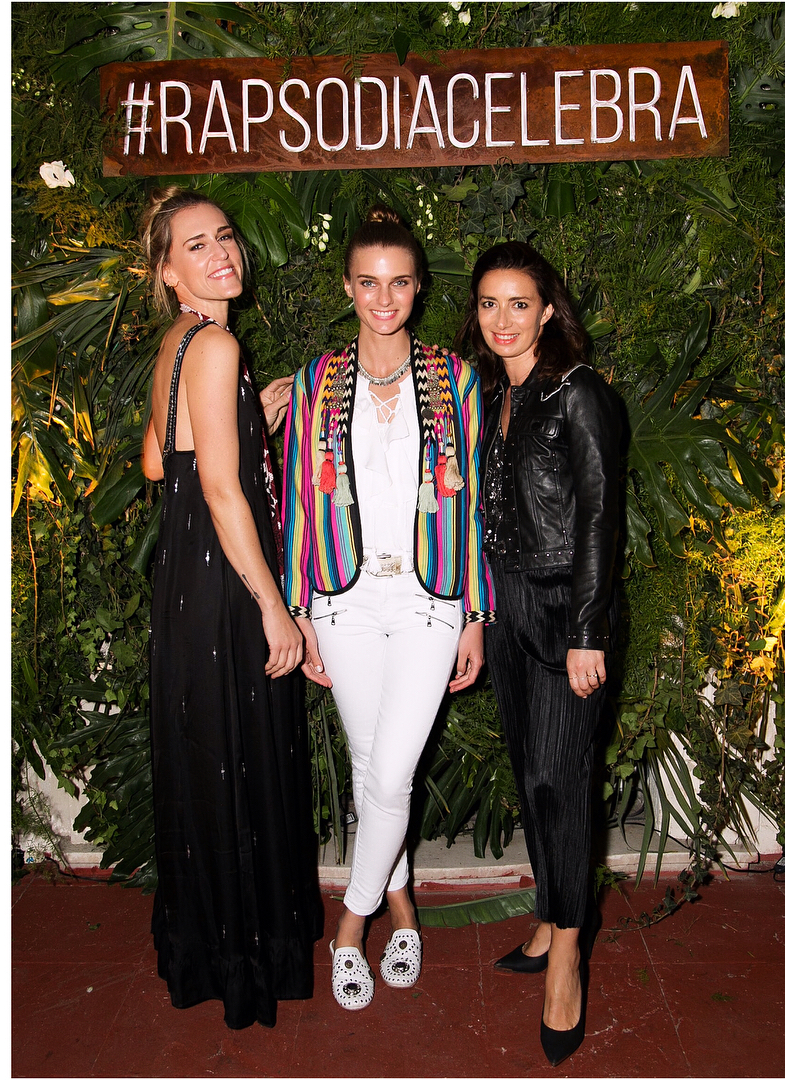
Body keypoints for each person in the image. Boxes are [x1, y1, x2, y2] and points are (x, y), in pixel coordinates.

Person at [281, 205, 495, 1011]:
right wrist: (301, 610)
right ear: (348, 286)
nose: (383, 298)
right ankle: (404, 914)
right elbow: (299, 499)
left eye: (399, 283)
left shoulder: (453, 378)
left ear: (418, 288)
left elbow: (473, 501)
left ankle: (349, 927)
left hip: (429, 598)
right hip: (341, 598)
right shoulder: (317, 379)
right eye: (368, 283)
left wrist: (477, 612)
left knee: (393, 769)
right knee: (375, 770)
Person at [139, 186, 323, 1029]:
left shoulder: (177, 344)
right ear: (169, 273)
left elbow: (158, 462)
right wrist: (273, 607)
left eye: (223, 237)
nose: (220, 254)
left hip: (183, 578)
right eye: (196, 246)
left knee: (207, 757)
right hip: (224, 584)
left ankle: (209, 951)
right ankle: (250, 960)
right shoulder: (215, 345)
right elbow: (220, 487)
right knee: (240, 758)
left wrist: (252, 416)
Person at [457, 241, 620, 1066]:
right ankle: (550, 919)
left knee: (564, 784)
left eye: (519, 303)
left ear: (548, 309)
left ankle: (567, 959)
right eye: (489, 303)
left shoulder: (577, 391)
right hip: (509, 607)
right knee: (532, 776)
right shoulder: (494, 394)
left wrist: (587, 631)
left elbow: (599, 519)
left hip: (565, 611)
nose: (503, 319)